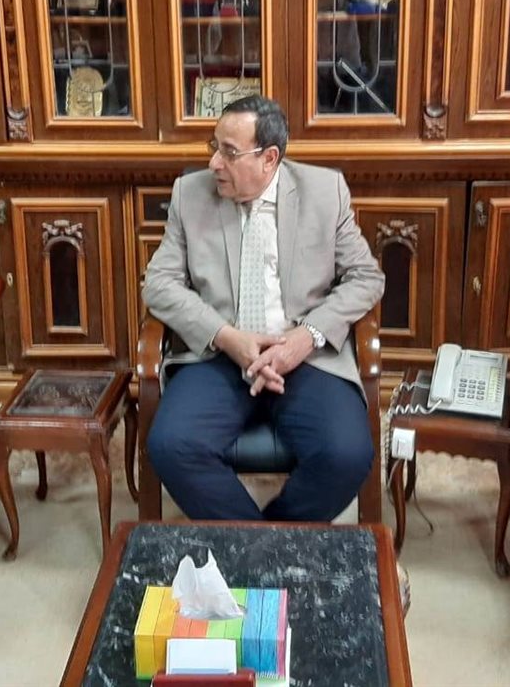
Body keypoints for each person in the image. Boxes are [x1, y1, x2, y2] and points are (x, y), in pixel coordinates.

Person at [143, 96, 384, 521]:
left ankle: (273, 538)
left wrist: (305, 337)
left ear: (269, 158)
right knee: (171, 445)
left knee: (347, 452)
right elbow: (158, 284)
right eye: (214, 146)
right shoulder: (190, 194)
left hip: (303, 357)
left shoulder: (324, 192)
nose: (214, 163)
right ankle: (260, 546)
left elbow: (366, 277)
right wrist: (225, 336)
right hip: (218, 355)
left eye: (229, 152)